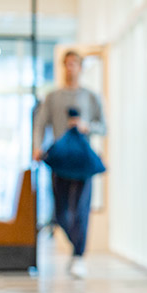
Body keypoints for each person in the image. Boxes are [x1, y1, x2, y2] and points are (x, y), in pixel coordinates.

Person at [33, 50, 106, 277]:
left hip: (82, 161)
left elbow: (103, 127)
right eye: (67, 64)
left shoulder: (91, 97)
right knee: (62, 213)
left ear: (81, 68)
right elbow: (40, 124)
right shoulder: (53, 97)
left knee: (81, 210)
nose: (70, 68)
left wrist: (86, 126)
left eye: (74, 64)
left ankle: (78, 256)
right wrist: (36, 146)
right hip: (60, 161)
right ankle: (76, 247)